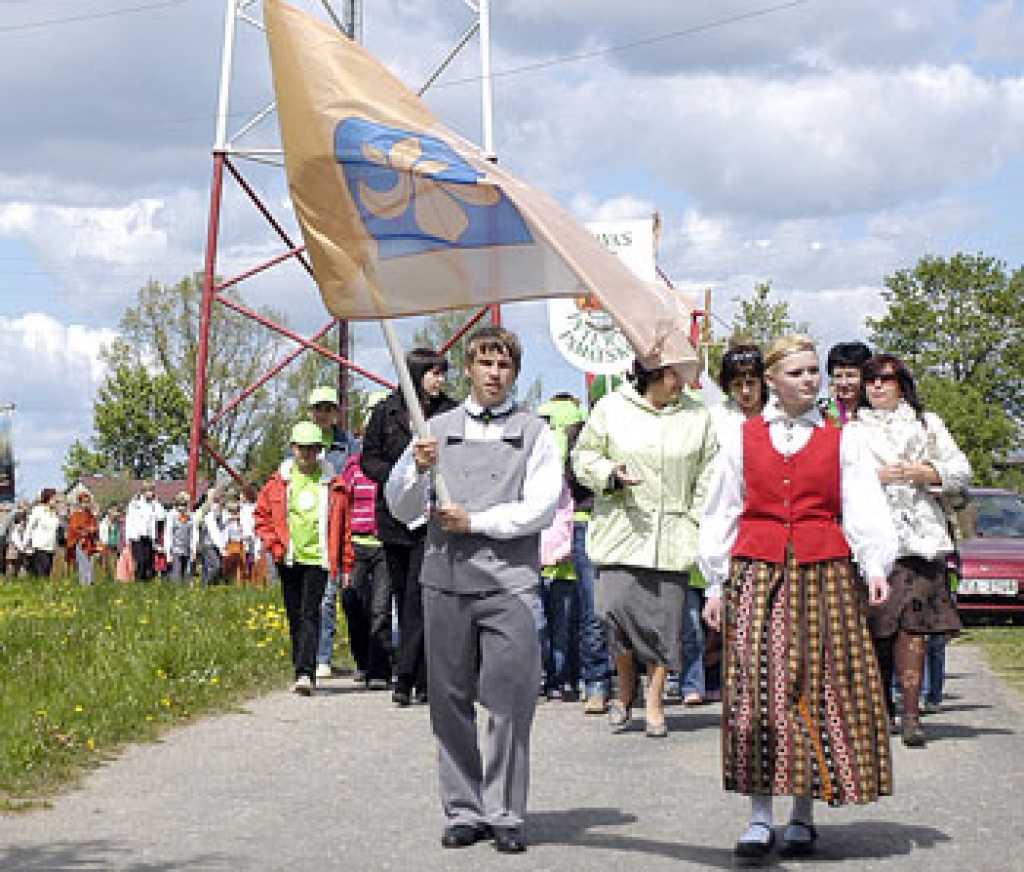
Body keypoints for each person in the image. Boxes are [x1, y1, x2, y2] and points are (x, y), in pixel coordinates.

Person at [699, 333, 897, 861]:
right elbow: (722, 509)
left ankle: (803, 815)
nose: (811, 379)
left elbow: (862, 504)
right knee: (756, 692)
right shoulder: (743, 438)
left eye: (814, 370)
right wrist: (716, 582)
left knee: (817, 685)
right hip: (757, 571)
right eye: (798, 372)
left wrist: (874, 564)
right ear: (771, 380)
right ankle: (759, 817)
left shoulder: (843, 439)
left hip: (823, 570)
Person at [385, 326, 561, 854]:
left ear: (515, 373)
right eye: (485, 363)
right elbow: (400, 507)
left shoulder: (535, 433)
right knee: (449, 700)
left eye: (504, 365)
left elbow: (542, 507)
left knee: (509, 700)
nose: (494, 373)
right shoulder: (433, 430)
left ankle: (505, 812)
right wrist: (416, 472)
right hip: (444, 581)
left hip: (509, 584)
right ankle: (464, 809)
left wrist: (479, 521)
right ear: (468, 368)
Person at [572, 355, 718, 739]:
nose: (683, 382)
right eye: (676, 374)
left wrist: (697, 518)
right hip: (621, 530)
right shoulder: (611, 407)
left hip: (672, 534)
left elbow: (709, 473)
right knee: (611, 613)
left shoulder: (697, 416)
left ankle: (653, 702)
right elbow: (583, 457)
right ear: (653, 373)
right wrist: (609, 475)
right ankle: (625, 684)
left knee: (664, 626)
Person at [848, 353, 970, 747]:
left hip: (920, 541)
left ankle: (913, 715)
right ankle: (883, 708)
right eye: (870, 379)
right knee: (879, 633)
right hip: (872, 543)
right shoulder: (851, 429)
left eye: (885, 378)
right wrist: (874, 478)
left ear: (902, 382)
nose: (877, 385)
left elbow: (961, 470)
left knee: (914, 629)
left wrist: (926, 473)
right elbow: (836, 480)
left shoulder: (926, 424)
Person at [362, 347, 458, 706]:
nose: (440, 380)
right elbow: (368, 457)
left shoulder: (451, 412)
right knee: (402, 595)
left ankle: (411, 677)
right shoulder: (386, 412)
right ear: (416, 375)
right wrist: (398, 478)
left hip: (433, 517)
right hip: (395, 515)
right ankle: (415, 673)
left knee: (422, 596)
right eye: (433, 373)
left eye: (442, 373)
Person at [255, 421, 354, 695]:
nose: (307, 454)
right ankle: (299, 666)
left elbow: (344, 528)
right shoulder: (278, 484)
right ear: (293, 449)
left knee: (312, 612)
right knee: (294, 614)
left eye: (313, 449)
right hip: (288, 558)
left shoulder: (335, 485)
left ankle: (306, 673)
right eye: (302, 449)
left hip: (319, 559)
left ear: (319, 450)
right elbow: (261, 517)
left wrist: (346, 564)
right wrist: (275, 546)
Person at [338, 451, 391, 688]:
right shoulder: (352, 467)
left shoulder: (391, 465)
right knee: (353, 602)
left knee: (380, 608)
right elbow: (342, 505)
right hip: (356, 544)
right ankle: (362, 660)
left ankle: (380, 669)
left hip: (384, 545)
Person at [821, 341, 872, 426]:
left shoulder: (877, 412)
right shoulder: (821, 412)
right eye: (838, 376)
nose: (843, 383)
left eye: (850, 376)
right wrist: (834, 405)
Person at [125, 482, 164, 582]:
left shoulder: (155, 504)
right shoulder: (135, 503)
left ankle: (147, 584)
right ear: (143, 491)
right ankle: (138, 582)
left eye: (151, 491)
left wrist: (156, 502)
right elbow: (129, 520)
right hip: (137, 537)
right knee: (140, 562)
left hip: (149, 537)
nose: (149, 493)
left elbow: (161, 516)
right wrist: (128, 537)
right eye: (147, 491)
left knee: (149, 562)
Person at [24, 488, 61, 578]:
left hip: (50, 547)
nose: (56, 500)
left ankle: (42, 590)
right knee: (41, 574)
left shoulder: (54, 513)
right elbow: (29, 526)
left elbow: (56, 529)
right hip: (39, 546)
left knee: (47, 573)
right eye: (54, 498)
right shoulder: (38, 510)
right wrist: (26, 544)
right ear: (48, 498)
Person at [66, 492, 100, 586]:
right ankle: (84, 585)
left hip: (91, 544)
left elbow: (95, 527)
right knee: (83, 565)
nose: (86, 504)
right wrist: (85, 531)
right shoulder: (75, 515)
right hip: (81, 543)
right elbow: (73, 528)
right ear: (80, 503)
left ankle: (90, 584)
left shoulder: (91, 515)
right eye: (84, 502)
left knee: (90, 566)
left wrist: (94, 530)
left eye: (88, 502)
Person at [163, 492, 194, 583]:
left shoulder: (190, 516)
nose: (182, 507)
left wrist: (193, 549)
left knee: (187, 574)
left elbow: (192, 533)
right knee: (176, 574)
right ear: (176, 504)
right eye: (180, 504)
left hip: (186, 550)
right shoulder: (171, 515)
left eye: (184, 504)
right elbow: (168, 534)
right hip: (175, 550)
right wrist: (168, 553)